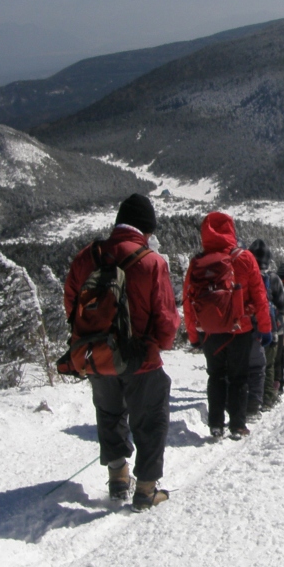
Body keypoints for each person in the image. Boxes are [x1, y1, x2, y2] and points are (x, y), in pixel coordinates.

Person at [64, 193, 180, 511]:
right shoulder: (152, 262)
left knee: (109, 414)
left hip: (97, 356)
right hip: (139, 358)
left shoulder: (86, 256)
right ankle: (145, 489)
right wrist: (155, 346)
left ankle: (117, 478)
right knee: (151, 417)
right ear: (145, 229)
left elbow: (72, 306)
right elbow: (167, 320)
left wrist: (93, 340)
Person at [183, 212, 272, 440]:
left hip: (210, 332)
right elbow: (260, 297)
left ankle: (215, 424)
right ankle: (237, 425)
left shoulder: (197, 262)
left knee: (215, 376)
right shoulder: (244, 258)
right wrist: (264, 327)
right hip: (239, 329)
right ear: (231, 231)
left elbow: (187, 301)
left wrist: (193, 335)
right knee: (239, 377)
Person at [248, 239, 284, 411]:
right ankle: (266, 399)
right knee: (268, 365)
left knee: (249, 365)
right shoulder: (273, 279)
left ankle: (249, 398)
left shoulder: (244, 275)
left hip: (246, 328)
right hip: (271, 328)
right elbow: (283, 305)